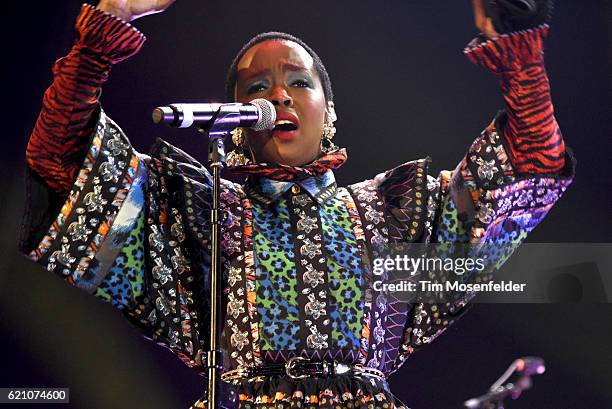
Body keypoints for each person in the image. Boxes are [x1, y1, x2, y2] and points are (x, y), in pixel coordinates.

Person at [20, 0, 574, 408]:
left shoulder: (394, 211)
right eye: (256, 87)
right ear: (233, 122)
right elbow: (62, 167)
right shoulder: (193, 212)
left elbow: (526, 171)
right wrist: (101, 35)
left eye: (299, 82)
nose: (279, 95)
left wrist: (521, 57)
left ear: (328, 114)